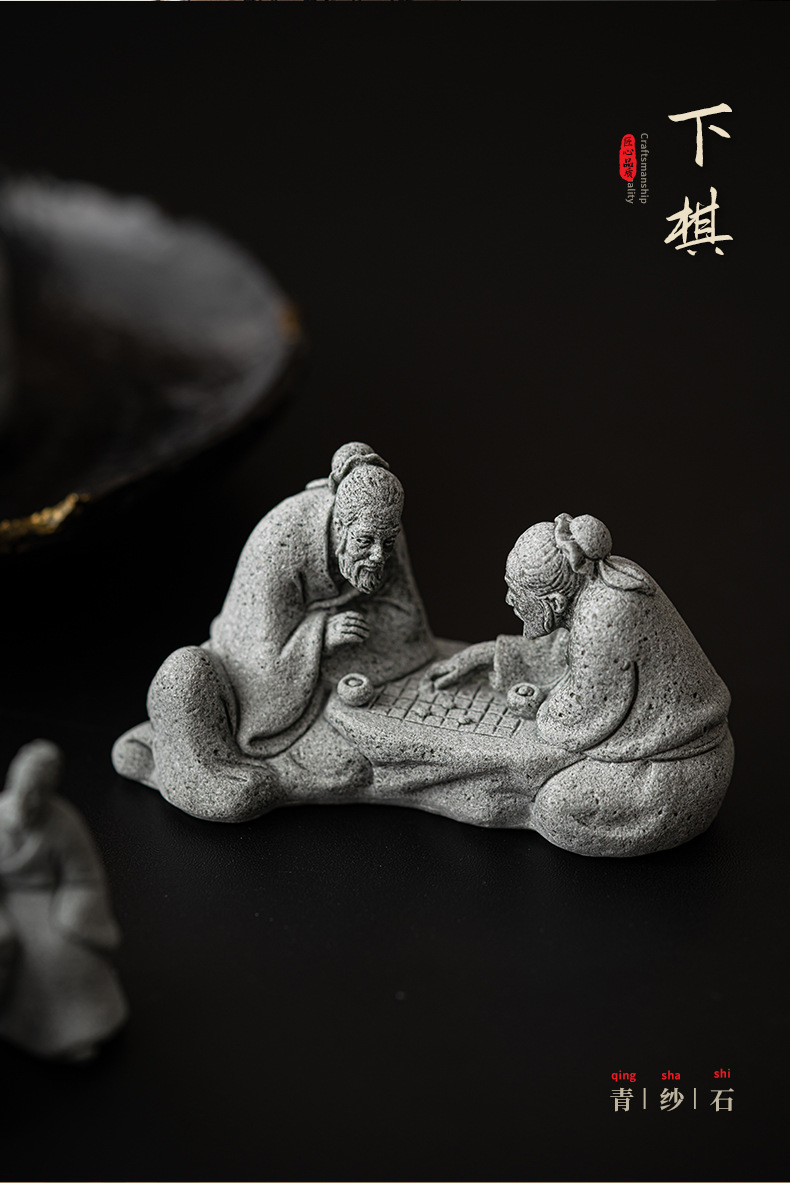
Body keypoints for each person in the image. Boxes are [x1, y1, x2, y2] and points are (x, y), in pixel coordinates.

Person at [112, 442, 437, 821]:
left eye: (387, 541)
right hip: (261, 681)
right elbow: (259, 664)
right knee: (339, 765)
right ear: (340, 524)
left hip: (334, 666)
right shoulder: (279, 542)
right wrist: (321, 634)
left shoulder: (381, 526)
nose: (379, 555)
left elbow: (409, 626)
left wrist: (349, 630)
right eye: (365, 541)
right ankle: (189, 763)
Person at [422, 513, 733, 856]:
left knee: (554, 808)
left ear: (555, 602)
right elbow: (563, 651)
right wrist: (491, 655)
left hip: (678, 771)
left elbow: (585, 716)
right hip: (679, 758)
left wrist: (540, 705)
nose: (509, 601)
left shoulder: (604, 615)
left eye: (515, 592)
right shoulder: (594, 584)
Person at [0, 741, 128, 1060]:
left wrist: (74, 915)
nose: (29, 801)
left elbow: (83, 874)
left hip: (50, 900)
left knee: (63, 953)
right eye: (24, 790)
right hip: (6, 899)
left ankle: (76, 1032)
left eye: (38, 793)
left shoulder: (63, 821)